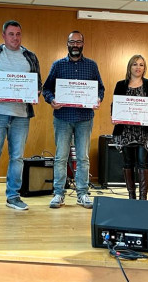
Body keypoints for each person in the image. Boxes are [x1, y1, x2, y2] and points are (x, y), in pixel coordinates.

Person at [0, 20, 42, 211]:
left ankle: (13, 196)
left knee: (17, 158)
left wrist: (35, 92)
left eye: (18, 34)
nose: (15, 37)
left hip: (21, 116)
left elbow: (38, 83)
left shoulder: (30, 56)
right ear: (3, 36)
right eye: (11, 34)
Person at [42, 30, 105, 209]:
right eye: (72, 42)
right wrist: (51, 100)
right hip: (62, 118)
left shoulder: (92, 66)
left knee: (83, 158)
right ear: (67, 44)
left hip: (84, 119)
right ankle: (58, 194)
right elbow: (46, 88)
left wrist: (98, 98)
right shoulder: (58, 65)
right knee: (61, 157)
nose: (75, 45)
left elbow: (100, 88)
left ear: (83, 44)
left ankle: (82, 194)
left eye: (78, 42)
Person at [111, 55, 148, 200]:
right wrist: (113, 116)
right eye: (135, 64)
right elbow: (116, 104)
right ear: (129, 67)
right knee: (128, 162)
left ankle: (143, 197)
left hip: (144, 132)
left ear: (144, 68)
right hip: (125, 131)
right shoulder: (121, 84)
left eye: (141, 65)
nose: (138, 67)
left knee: (142, 162)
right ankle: (131, 196)